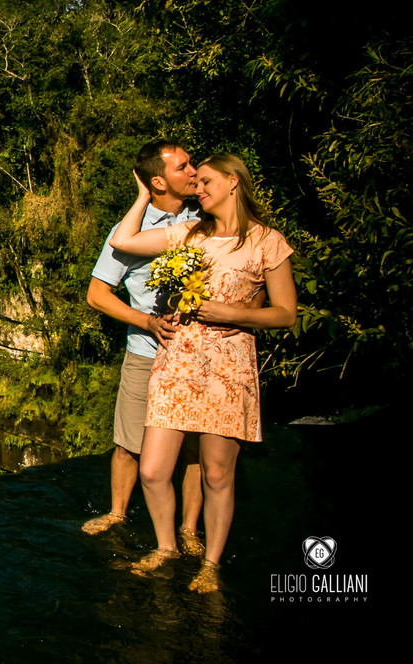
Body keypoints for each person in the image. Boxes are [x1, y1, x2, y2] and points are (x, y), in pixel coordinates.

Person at [110, 153, 297, 593]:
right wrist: (142, 195)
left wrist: (230, 311)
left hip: (227, 366)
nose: (198, 189)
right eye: (197, 183)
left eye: (207, 181)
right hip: (178, 361)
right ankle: (166, 547)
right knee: (154, 470)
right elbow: (124, 240)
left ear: (233, 182)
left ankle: (210, 563)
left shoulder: (267, 242)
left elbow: (286, 313)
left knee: (216, 473)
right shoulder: (189, 234)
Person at [83, 141, 204, 557]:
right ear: (158, 181)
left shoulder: (204, 216)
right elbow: (97, 294)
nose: (194, 171)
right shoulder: (128, 232)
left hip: (195, 355)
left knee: (193, 446)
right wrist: (147, 322)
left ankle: (189, 529)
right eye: (184, 166)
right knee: (128, 442)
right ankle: (117, 512)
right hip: (144, 352)